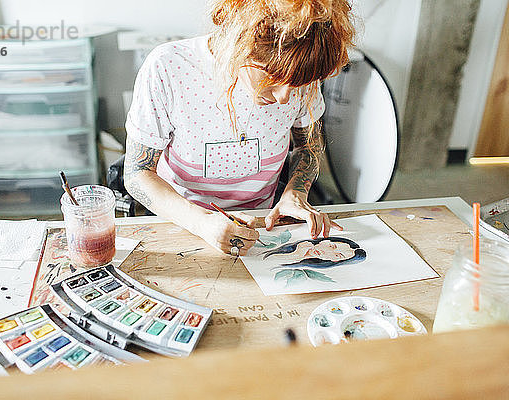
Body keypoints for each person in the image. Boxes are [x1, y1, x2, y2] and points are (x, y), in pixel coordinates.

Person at [124, 0, 356, 256]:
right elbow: (137, 173)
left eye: (297, 85)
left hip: (264, 225)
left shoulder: (301, 75)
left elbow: (308, 145)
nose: (283, 98)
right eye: (273, 77)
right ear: (240, 44)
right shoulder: (168, 67)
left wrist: (295, 193)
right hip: (183, 224)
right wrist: (201, 222)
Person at [261, 237, 367, 269]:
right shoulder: (290, 246)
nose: (326, 252)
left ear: (335, 260)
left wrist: (296, 256)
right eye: (331, 246)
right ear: (325, 240)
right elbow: (261, 261)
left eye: (337, 255)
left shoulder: (303, 264)